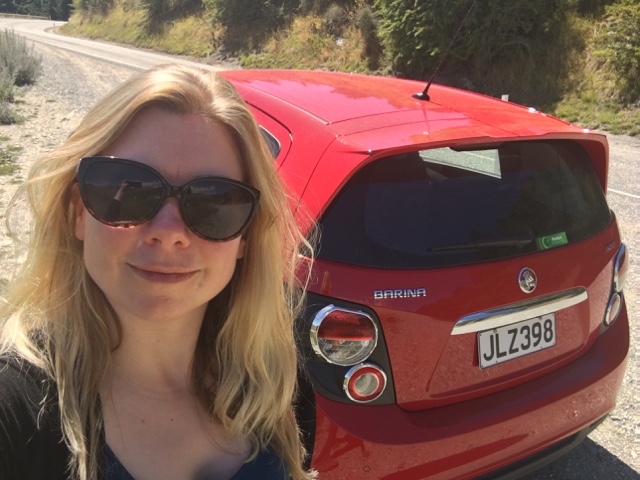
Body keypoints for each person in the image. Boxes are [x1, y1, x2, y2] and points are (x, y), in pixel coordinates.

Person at [0, 64, 316, 480]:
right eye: (129, 191)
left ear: (245, 236)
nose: (168, 233)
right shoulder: (14, 413)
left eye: (214, 201)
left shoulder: (277, 386)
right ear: (79, 213)